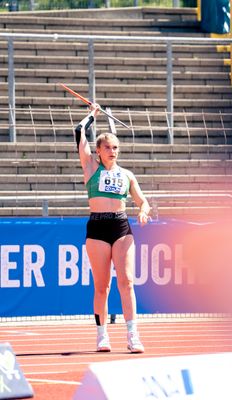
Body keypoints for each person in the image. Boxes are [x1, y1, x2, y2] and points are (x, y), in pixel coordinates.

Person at [75, 103, 151, 353]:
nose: (112, 151)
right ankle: (101, 335)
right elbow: (79, 130)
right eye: (107, 147)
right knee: (102, 286)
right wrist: (93, 114)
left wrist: (142, 210)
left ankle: (133, 335)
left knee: (127, 282)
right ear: (97, 151)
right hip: (97, 227)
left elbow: (143, 200)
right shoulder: (90, 168)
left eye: (115, 147)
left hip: (120, 225)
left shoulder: (127, 175)